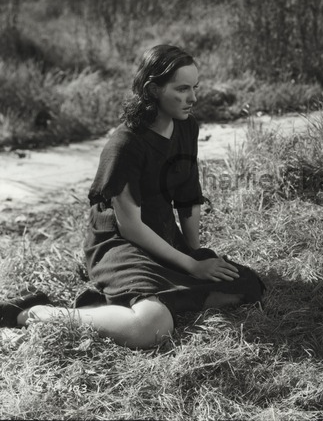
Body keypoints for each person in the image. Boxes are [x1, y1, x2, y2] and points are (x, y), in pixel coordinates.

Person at [0, 45, 265, 348]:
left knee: (246, 286)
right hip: (119, 244)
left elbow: (188, 195)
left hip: (163, 236)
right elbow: (130, 227)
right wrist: (192, 268)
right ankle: (34, 312)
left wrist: (194, 253)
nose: (193, 98)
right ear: (153, 89)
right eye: (182, 89)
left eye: (195, 88)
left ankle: (110, 303)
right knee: (152, 325)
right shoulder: (125, 144)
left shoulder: (186, 126)